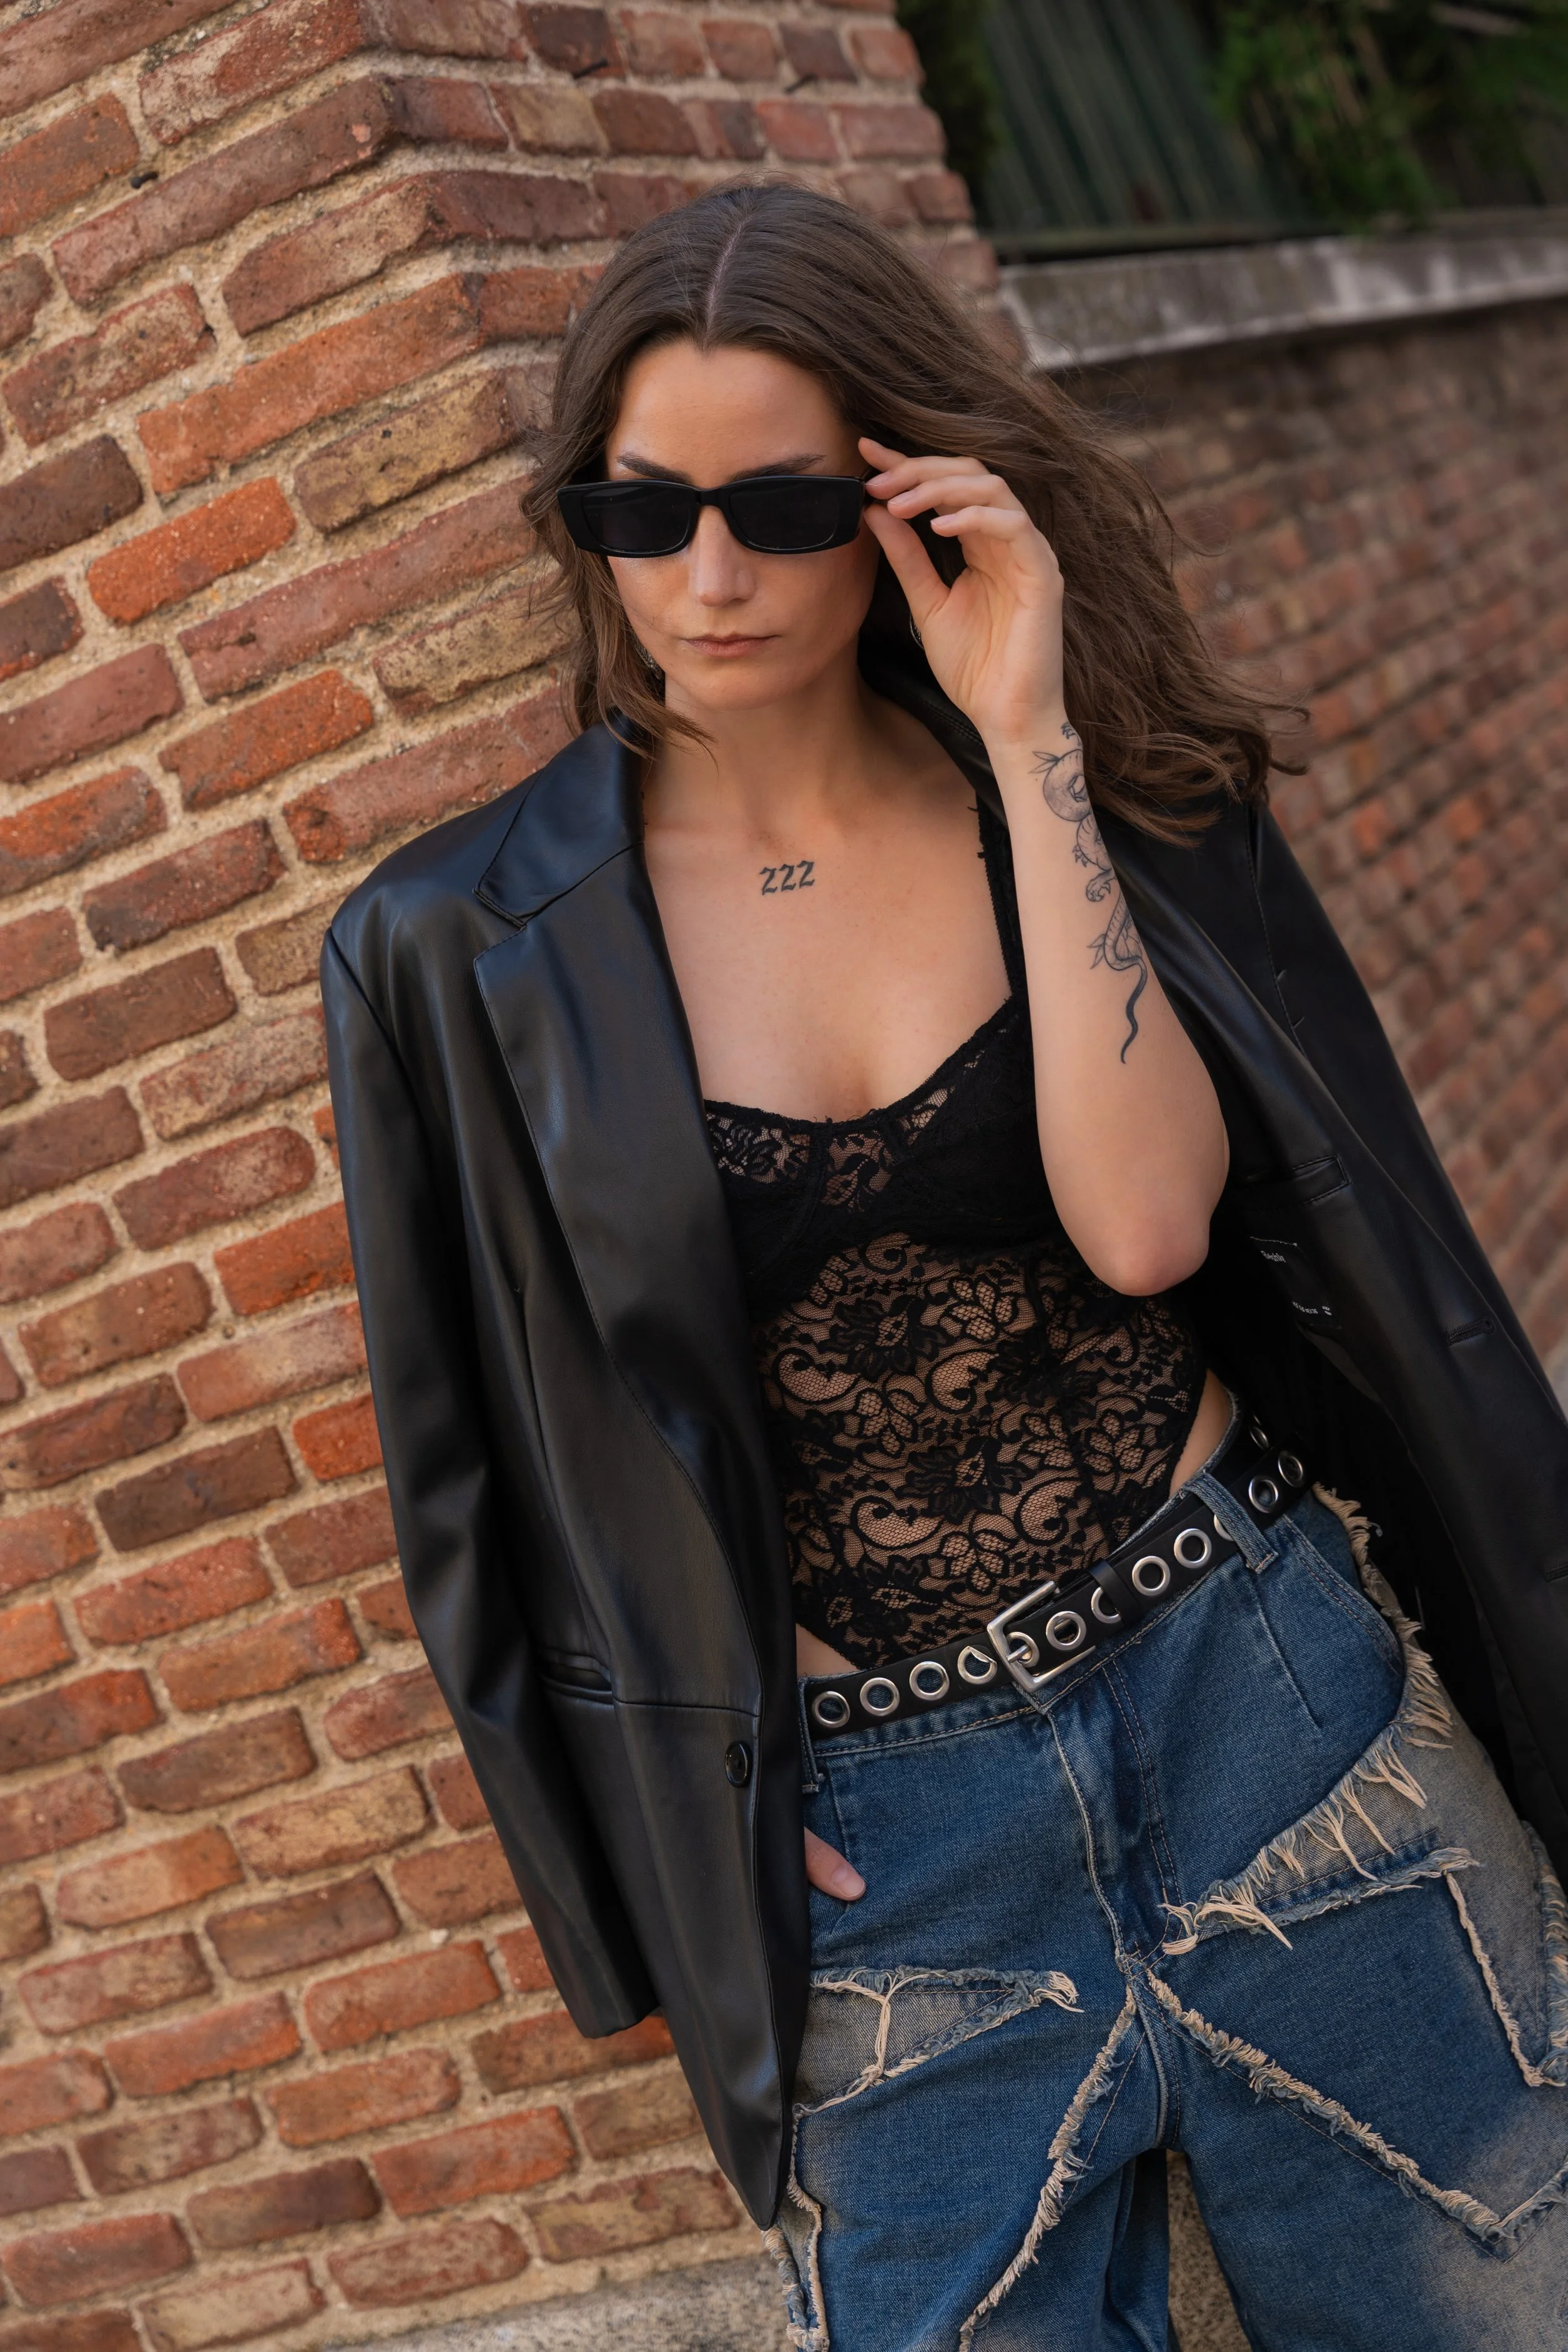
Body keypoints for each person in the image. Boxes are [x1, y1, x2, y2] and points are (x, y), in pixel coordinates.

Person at [321, 183, 1568, 2351]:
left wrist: (1030, 737)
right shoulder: (447, 947)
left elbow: (1148, 1230)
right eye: (644, 509)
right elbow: (469, 1487)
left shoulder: (1096, 797)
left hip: (1271, 1718)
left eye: (783, 507)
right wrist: (653, 1881)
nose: (708, 576)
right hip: (887, 1857)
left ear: (900, 497)